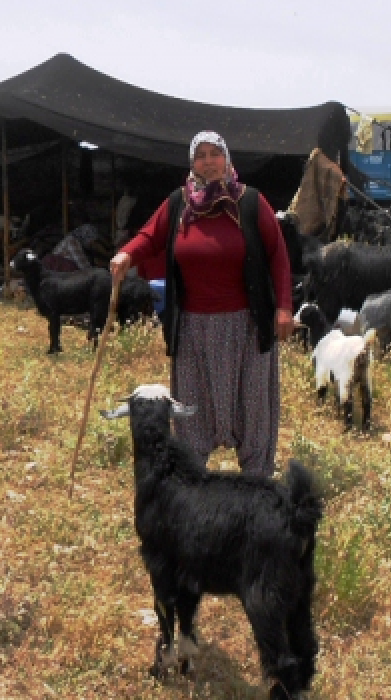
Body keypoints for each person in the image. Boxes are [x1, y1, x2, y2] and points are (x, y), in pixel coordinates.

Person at [110, 131, 293, 477]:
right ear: (192, 162)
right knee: (194, 409)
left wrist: (283, 308)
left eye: (215, 154)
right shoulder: (179, 203)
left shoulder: (250, 202)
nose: (208, 162)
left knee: (252, 408)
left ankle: (256, 485)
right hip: (193, 326)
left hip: (247, 326)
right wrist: (126, 255)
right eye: (201, 155)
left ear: (227, 158)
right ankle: (194, 484)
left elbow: (278, 256)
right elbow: (150, 235)